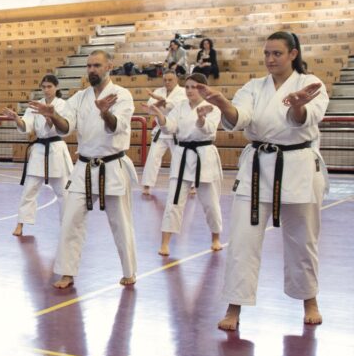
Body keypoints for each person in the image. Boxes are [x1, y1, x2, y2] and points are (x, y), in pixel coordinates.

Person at [196, 32, 328, 331]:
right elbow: (240, 117)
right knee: (242, 240)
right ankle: (234, 306)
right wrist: (222, 104)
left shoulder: (311, 84)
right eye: (267, 53)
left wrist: (297, 105)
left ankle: (310, 300)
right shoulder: (253, 87)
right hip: (257, 168)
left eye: (277, 53)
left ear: (293, 54)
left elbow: (305, 119)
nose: (270, 59)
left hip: (298, 167)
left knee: (303, 240)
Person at [30, 50, 137, 289]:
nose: (91, 70)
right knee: (70, 219)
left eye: (97, 65)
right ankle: (67, 272)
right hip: (84, 167)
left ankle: (129, 271)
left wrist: (105, 112)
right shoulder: (80, 97)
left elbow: (117, 126)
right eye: (89, 66)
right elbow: (66, 126)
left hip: (112, 165)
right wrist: (53, 116)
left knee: (120, 223)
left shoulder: (122, 95)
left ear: (109, 66)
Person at [145, 72, 223, 257]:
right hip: (182, 156)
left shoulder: (213, 107)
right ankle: (165, 243)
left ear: (203, 88)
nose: (189, 90)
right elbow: (170, 127)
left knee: (210, 203)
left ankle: (215, 238)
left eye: (194, 87)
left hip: (204, 155)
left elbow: (209, 129)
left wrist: (201, 119)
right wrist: (160, 116)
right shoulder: (180, 107)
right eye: (187, 87)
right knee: (173, 201)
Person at [5, 74, 72, 237]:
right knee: (29, 189)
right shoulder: (35, 106)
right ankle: (20, 223)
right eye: (44, 87)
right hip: (39, 149)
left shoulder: (64, 105)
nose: (46, 90)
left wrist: (49, 118)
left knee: (64, 193)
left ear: (56, 87)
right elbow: (26, 126)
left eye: (49, 86)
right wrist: (17, 119)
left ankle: (67, 225)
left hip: (56, 149)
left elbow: (63, 128)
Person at [140, 69, 186, 195]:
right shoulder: (158, 91)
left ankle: (190, 185)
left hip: (176, 132)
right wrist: (158, 103)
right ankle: (147, 185)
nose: (167, 82)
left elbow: (177, 106)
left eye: (170, 80)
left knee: (180, 159)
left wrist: (161, 102)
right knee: (153, 157)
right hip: (161, 131)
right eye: (165, 80)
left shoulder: (183, 92)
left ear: (176, 79)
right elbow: (150, 109)